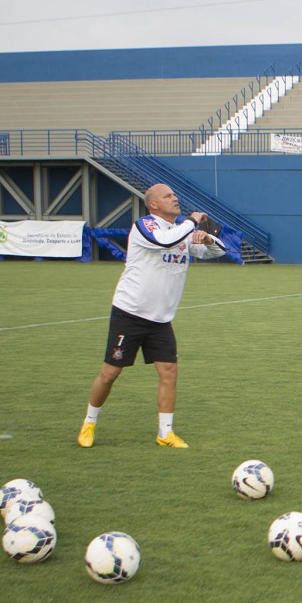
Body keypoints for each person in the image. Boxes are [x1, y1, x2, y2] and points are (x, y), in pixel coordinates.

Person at [77, 183, 226, 449]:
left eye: (174, 194)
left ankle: (165, 433)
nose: (175, 198)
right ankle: (89, 422)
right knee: (110, 373)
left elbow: (220, 251)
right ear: (154, 204)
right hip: (130, 312)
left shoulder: (180, 231)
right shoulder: (146, 226)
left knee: (169, 372)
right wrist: (192, 222)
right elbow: (163, 241)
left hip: (161, 319)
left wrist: (207, 239)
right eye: (168, 195)